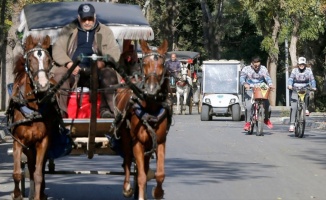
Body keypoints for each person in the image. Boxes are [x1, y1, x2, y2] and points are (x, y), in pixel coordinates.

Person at [51, 3, 121, 118]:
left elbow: (114, 52)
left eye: (90, 18)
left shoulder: (105, 31)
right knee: (59, 75)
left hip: (97, 70)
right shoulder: (68, 30)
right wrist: (69, 64)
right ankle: (61, 112)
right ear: (79, 18)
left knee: (109, 74)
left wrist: (102, 62)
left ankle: (108, 111)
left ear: (95, 16)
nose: (87, 22)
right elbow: (57, 49)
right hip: (73, 70)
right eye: (84, 19)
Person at [240, 56, 274, 131]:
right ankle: (248, 122)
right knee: (248, 106)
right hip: (250, 87)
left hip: (261, 87)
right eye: (255, 66)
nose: (257, 67)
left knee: (267, 105)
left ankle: (266, 119)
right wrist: (245, 84)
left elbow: (267, 77)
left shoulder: (263, 68)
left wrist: (270, 84)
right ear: (251, 63)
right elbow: (242, 78)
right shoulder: (246, 69)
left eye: (258, 65)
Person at [287, 57, 316, 132]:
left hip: (305, 88)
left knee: (308, 95)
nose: (302, 65)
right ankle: (292, 124)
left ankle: (305, 108)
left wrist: (313, 86)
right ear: (298, 64)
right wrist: (290, 85)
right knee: (294, 107)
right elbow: (291, 79)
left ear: (305, 64)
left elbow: (312, 79)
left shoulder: (308, 70)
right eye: (300, 64)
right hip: (295, 89)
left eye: (303, 64)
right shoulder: (294, 70)